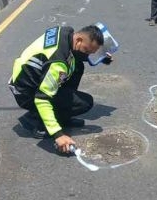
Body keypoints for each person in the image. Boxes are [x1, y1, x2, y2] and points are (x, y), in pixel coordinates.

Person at [8, 24, 113, 154]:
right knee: (85, 103)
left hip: (26, 77)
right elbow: (42, 99)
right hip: (27, 92)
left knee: (77, 65)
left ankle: (63, 115)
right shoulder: (58, 63)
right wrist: (58, 135)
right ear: (79, 40)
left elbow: (78, 55)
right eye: (87, 51)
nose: (87, 54)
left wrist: (102, 59)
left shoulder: (65, 32)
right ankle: (37, 122)